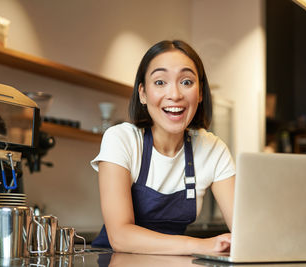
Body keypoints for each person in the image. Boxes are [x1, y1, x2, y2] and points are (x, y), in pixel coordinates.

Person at [90, 40, 235, 255]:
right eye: (160, 82)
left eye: (186, 82)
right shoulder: (121, 139)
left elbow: (244, 229)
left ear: (201, 93)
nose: (175, 94)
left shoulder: (212, 149)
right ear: (142, 93)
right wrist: (201, 245)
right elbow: (120, 236)